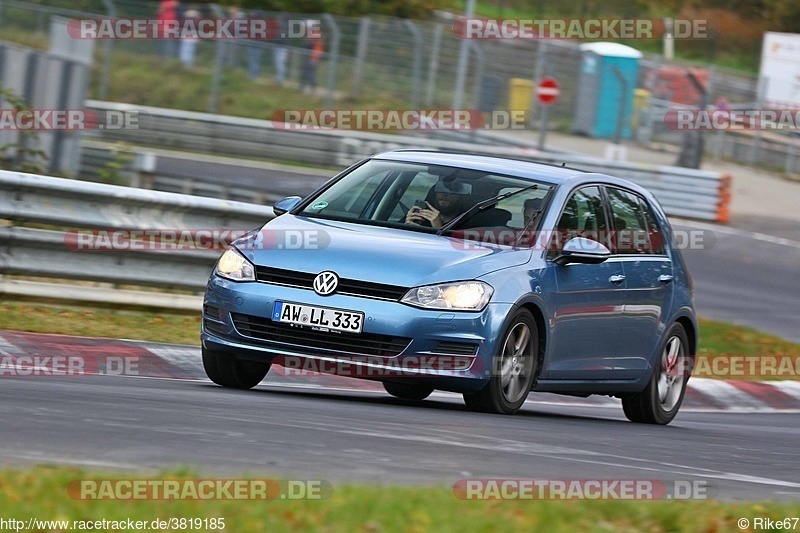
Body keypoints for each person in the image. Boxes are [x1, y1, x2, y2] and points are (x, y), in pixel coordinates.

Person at [405, 180, 472, 229]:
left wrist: (438, 228)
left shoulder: (468, 223)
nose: (445, 194)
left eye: (452, 192)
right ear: (434, 194)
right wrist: (406, 226)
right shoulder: (419, 217)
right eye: (441, 190)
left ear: (462, 197)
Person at [299, 21, 323, 95]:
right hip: (307, 56)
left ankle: (313, 89)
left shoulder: (315, 34)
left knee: (311, 74)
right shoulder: (309, 34)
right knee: (305, 72)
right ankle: (302, 87)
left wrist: (314, 58)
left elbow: (317, 48)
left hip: (312, 57)